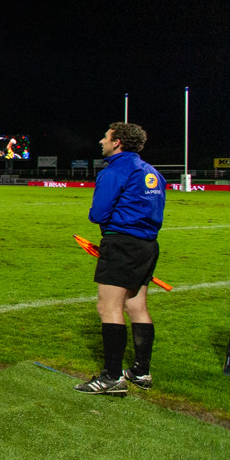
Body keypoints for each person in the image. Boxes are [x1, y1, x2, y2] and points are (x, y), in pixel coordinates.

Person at [74, 122, 166, 395]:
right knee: (137, 305)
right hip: (148, 245)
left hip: (121, 243)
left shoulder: (115, 170)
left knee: (108, 308)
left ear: (118, 143)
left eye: (106, 137)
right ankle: (141, 371)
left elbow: (98, 214)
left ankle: (112, 377)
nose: (101, 141)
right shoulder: (152, 171)